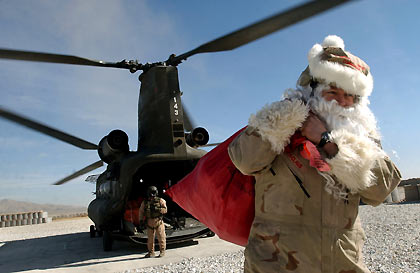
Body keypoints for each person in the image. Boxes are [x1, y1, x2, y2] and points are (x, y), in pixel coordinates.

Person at [228, 35, 401, 273]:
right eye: (334, 92)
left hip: (341, 264)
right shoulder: (280, 124)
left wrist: (329, 142)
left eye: (351, 95)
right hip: (276, 264)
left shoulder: (361, 137)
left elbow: (381, 189)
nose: (343, 102)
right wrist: (283, 121)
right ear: (313, 91)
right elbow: (243, 160)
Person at [139, 186, 168, 258]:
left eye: (153, 193)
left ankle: (162, 251)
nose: (152, 195)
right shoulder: (145, 202)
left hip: (158, 221)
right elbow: (141, 212)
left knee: (161, 237)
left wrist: (158, 209)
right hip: (149, 222)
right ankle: (151, 252)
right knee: (150, 239)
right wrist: (141, 221)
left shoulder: (161, 201)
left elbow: (165, 210)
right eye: (151, 193)